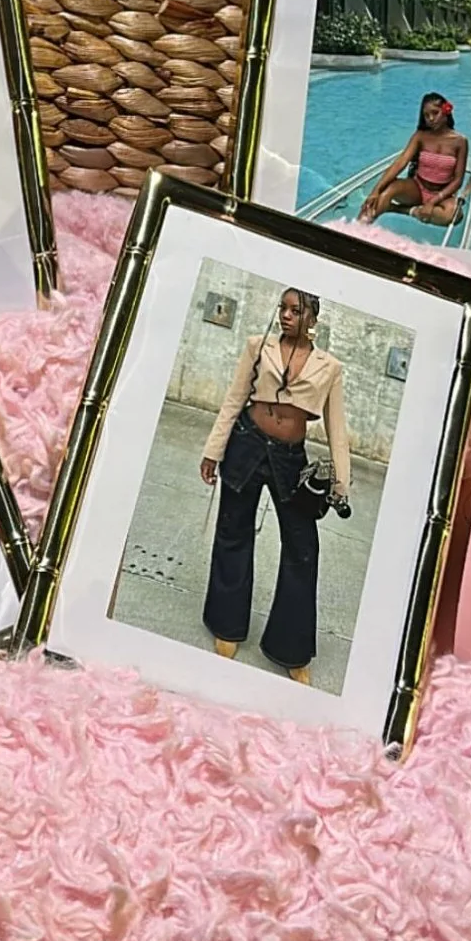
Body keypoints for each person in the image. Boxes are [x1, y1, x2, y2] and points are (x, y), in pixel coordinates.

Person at [199, 289, 351, 684]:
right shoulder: (258, 346)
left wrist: (341, 482)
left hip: (289, 459)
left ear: (312, 317)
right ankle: (226, 625)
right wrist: (213, 450)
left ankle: (290, 648)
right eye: (282, 308)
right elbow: (234, 400)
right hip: (246, 444)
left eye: (295, 310)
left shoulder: (330, 367)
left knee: (303, 549)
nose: (285, 315)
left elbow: (336, 428)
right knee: (233, 532)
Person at [358, 91, 468, 227]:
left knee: (454, 215)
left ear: (446, 112)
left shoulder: (460, 141)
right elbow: (401, 163)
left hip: (442, 195)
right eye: (426, 115)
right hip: (417, 189)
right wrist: (376, 190)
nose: (431, 119)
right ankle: (357, 228)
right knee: (388, 190)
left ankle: (401, 210)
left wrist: (433, 201)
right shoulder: (420, 136)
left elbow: (458, 180)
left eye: (435, 113)